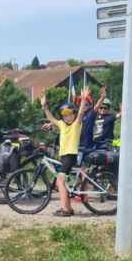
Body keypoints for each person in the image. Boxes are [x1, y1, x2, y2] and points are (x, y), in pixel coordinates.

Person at [39, 89, 91, 217]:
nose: (68, 117)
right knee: (61, 181)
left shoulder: (77, 124)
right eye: (65, 115)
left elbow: (80, 113)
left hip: (71, 156)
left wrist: (83, 99)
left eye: (70, 114)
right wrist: (44, 106)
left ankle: (65, 210)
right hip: (64, 156)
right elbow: (51, 118)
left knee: (60, 181)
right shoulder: (62, 124)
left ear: (74, 114)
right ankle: (69, 208)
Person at [77, 87, 121, 166]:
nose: (103, 109)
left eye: (105, 108)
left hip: (99, 144)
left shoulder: (91, 114)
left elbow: (97, 105)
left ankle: (98, 177)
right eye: (81, 104)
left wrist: (103, 96)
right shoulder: (79, 116)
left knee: (86, 168)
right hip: (94, 143)